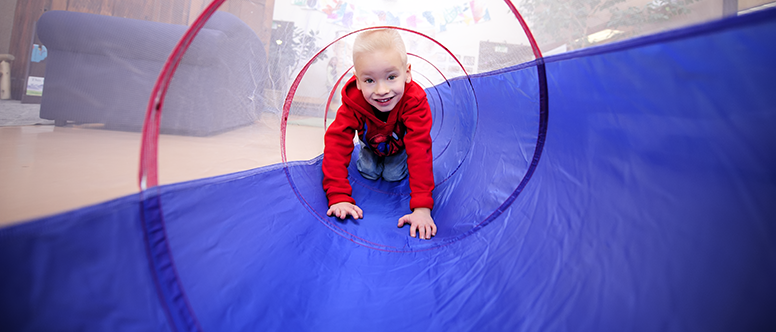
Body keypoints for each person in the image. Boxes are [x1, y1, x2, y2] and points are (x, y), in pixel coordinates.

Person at [322, 29, 436, 240]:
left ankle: (393, 161)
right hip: (371, 144)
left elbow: (420, 149)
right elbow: (336, 143)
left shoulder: (414, 102)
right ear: (357, 81)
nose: (382, 90)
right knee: (368, 171)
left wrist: (422, 207)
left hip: (399, 147)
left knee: (393, 175)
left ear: (407, 73)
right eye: (369, 81)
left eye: (391, 77)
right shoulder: (354, 102)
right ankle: (369, 156)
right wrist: (338, 195)